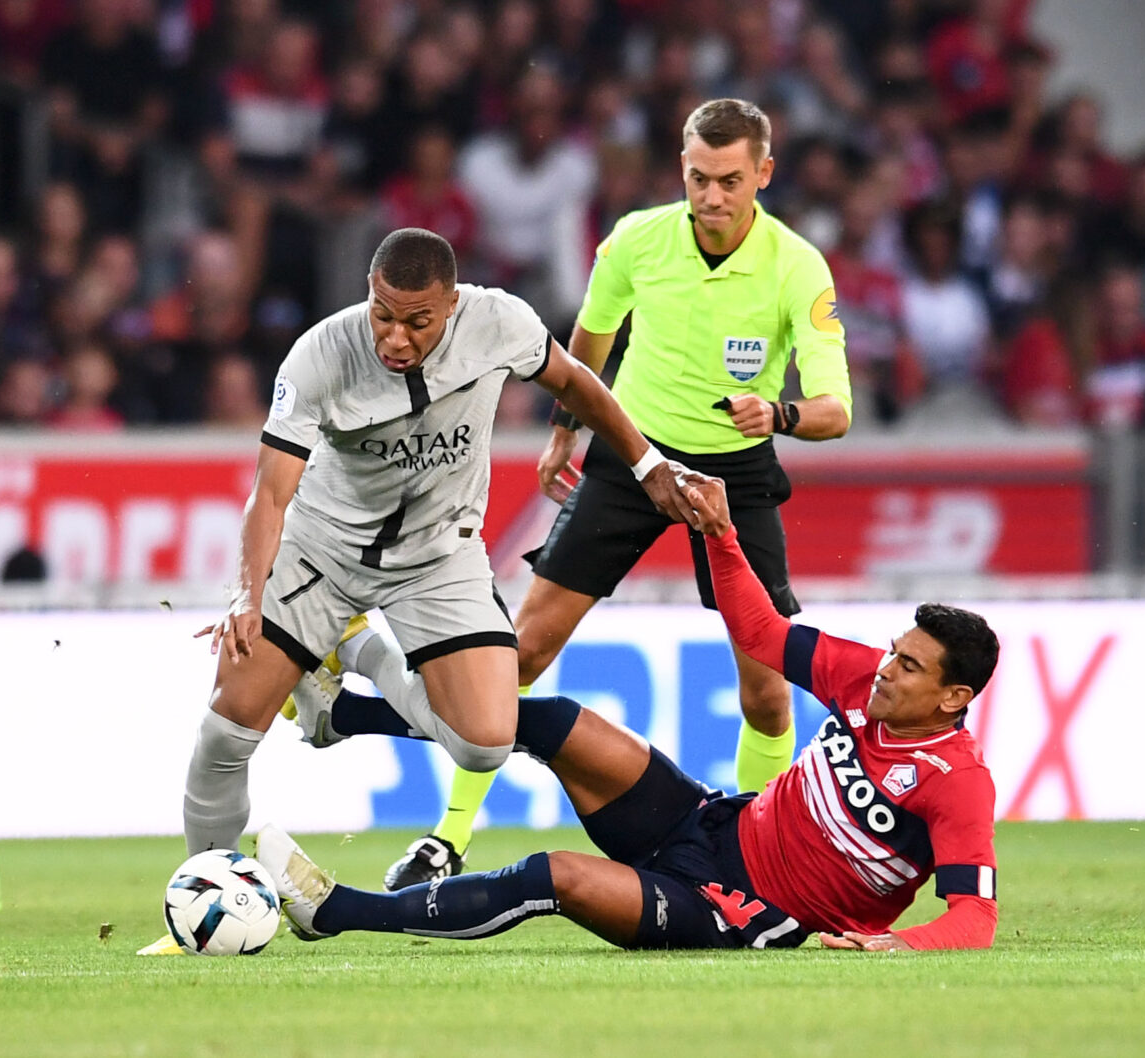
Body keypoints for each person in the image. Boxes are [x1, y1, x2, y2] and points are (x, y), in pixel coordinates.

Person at [143, 227, 696, 955]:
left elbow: (574, 382)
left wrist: (647, 461)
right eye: (383, 314)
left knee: (483, 745)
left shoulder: (501, 322)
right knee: (226, 731)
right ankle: (198, 918)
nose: (395, 337)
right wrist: (248, 597)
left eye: (416, 320)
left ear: (453, 303)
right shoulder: (320, 354)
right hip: (321, 553)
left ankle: (356, 669)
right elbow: (269, 495)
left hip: (439, 558)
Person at [385, 98, 852, 891]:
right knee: (521, 650)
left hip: (734, 475)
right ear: (682, 169)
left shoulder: (797, 265)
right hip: (634, 459)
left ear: (764, 174)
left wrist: (776, 413)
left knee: (768, 690)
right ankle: (447, 837)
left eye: (731, 180)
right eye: (699, 178)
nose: (712, 196)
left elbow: (836, 411)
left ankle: (760, 861)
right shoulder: (636, 240)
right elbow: (590, 340)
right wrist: (568, 425)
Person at [262, 472, 999, 953]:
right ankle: (346, 719)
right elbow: (762, 634)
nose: (885, 669)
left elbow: (975, 917)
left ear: (953, 697)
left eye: (908, 665)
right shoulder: (860, 681)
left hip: (738, 909)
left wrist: (901, 945)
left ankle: (337, 911)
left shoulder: (955, 783)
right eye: (893, 650)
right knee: (550, 720)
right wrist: (719, 534)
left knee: (554, 876)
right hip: (705, 821)